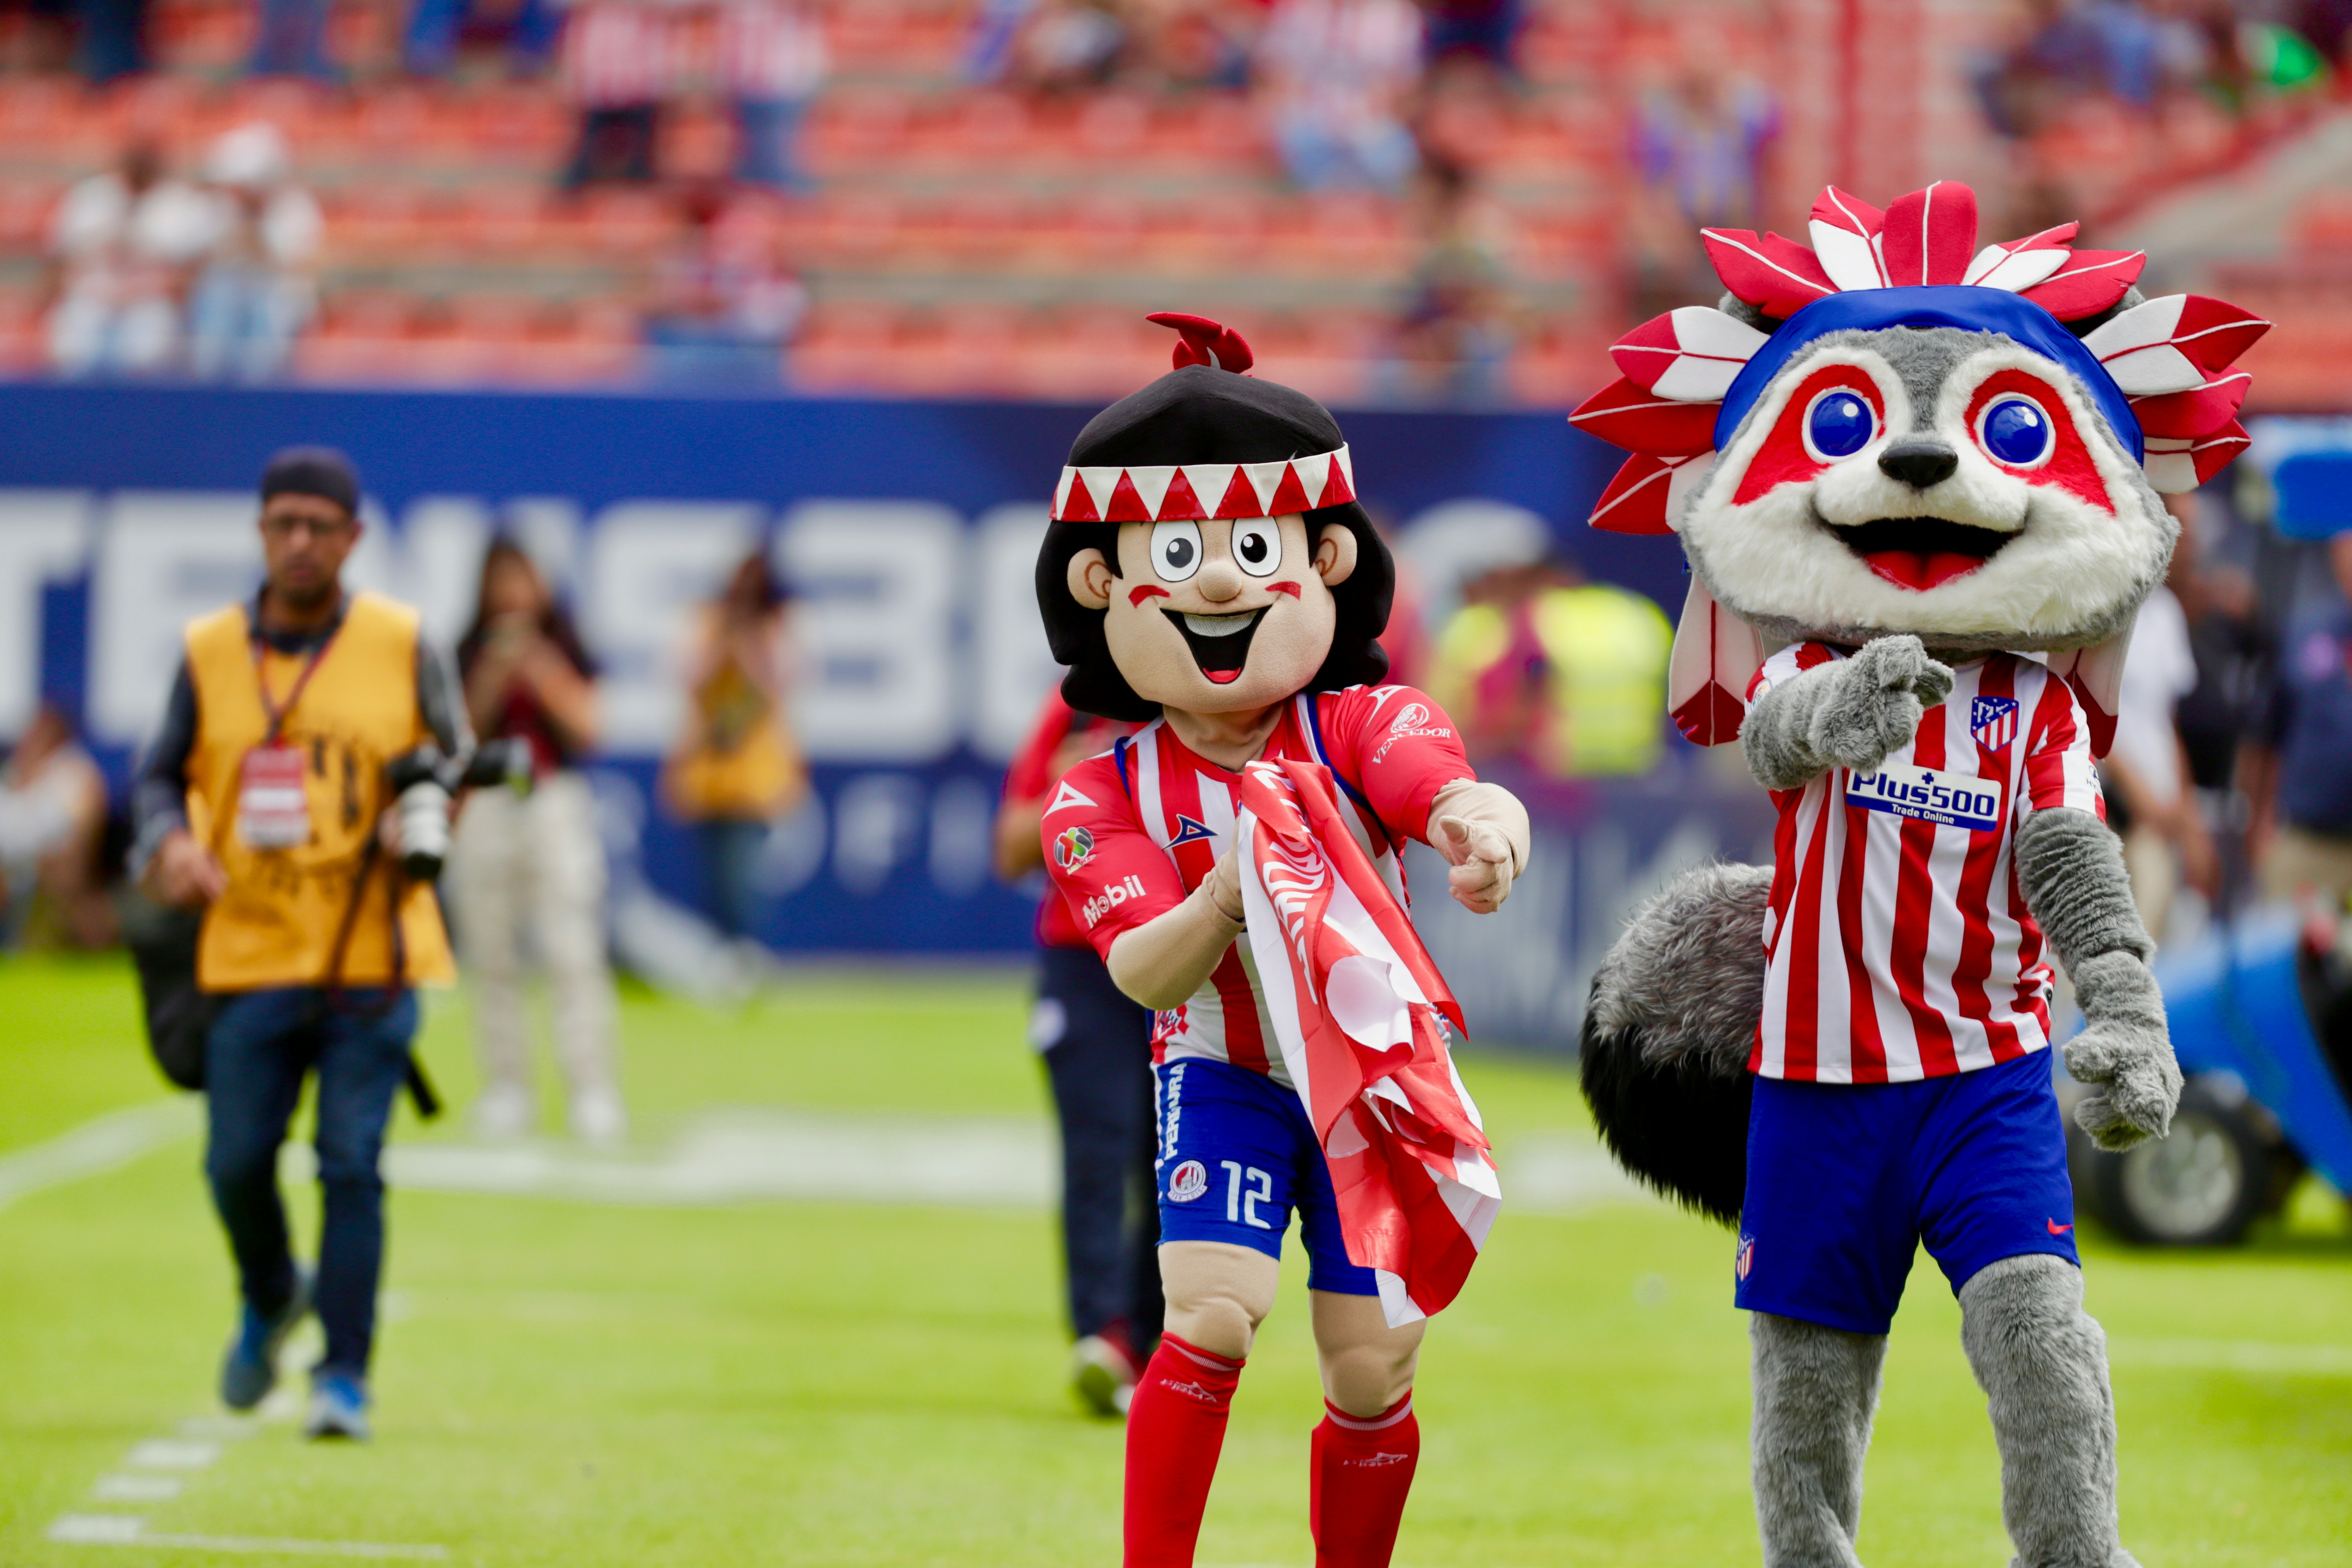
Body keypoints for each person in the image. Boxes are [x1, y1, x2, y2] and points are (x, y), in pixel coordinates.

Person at [1037, 312, 1529, 1567]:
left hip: (1376, 1076)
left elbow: (1445, 784)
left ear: (1322, 564)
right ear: (1101, 587)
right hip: (1225, 1070)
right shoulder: (1098, 793)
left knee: (1370, 1370)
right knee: (1209, 1312)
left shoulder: (1361, 721)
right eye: (1178, 555)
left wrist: (1482, 829)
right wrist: (1223, 895)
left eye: (1252, 550)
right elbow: (1142, 969)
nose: (1218, 584)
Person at [131, 447, 468, 1442]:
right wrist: (171, 840)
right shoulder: (209, 651)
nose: (302, 543)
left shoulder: (401, 640)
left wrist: (428, 810)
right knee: (235, 1163)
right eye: (285, 523)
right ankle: (275, 1291)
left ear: (354, 538)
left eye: (321, 526)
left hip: (373, 955)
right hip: (252, 948)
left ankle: (344, 1376)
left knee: (351, 1162)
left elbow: (455, 758)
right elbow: (155, 777)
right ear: (260, 530)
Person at [995, 688, 1157, 1416]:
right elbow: (1011, 848)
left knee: (1177, 1155)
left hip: (1192, 959)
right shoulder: (1078, 711)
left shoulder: (1225, 704)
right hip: (1086, 961)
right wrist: (1074, 790)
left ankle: (1152, 1344)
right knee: (1097, 1146)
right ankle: (1104, 1336)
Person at [449, 540, 625, 1145]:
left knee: (571, 948)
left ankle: (592, 1089)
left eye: (521, 579)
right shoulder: (468, 650)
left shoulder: (566, 646)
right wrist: (493, 673)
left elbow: (591, 727)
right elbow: (457, 736)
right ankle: (507, 1088)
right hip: (487, 804)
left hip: (554, 800)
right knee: (491, 952)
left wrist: (541, 669)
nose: (512, 593)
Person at [663, 549, 803, 941]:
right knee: (713, 879)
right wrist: (723, 642)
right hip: (709, 772)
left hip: (755, 777)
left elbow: (776, 693)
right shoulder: (710, 623)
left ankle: (742, 949)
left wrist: (747, 648)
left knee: (739, 878)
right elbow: (690, 685)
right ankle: (725, 952)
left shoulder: (776, 628)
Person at [2246, 531, 2352, 928]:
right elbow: (2265, 737)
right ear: (2337, 551)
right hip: (2306, 843)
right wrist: (2259, 824)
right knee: (2287, 955)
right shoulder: (2306, 634)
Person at [46, 138, 215, 378]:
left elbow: (191, 270)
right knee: (72, 350)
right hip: (92, 294)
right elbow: (60, 259)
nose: (138, 167)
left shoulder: (182, 201)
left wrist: (149, 287)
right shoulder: (90, 196)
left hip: (151, 297)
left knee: (147, 355)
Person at [184, 123, 324, 384]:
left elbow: (295, 262)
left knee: (265, 348)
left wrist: (257, 223)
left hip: (272, 292)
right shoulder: (215, 206)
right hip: (222, 292)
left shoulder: (294, 206)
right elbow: (195, 254)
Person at [0, 701, 114, 949]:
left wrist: (65, 859)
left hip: (53, 868)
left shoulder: (74, 771)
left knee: (59, 875)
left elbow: (86, 821)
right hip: (10, 872)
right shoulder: (9, 776)